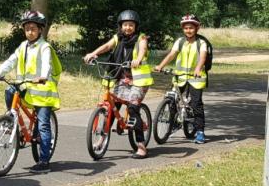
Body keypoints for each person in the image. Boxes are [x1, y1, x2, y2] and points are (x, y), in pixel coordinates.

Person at [0, 10, 62, 174]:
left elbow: (46, 65)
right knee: (9, 90)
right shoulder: (23, 46)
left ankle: (44, 161)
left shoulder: (45, 47)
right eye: (27, 28)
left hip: (43, 91)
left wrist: (43, 76)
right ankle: (11, 121)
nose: (30, 32)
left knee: (43, 125)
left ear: (40, 30)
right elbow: (11, 61)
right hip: (27, 87)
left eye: (33, 29)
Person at [83, 10, 154, 158]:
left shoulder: (141, 38)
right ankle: (102, 139)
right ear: (121, 26)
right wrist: (93, 53)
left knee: (134, 109)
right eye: (125, 25)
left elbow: (142, 50)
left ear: (136, 26)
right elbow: (107, 46)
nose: (127, 27)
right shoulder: (118, 38)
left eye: (131, 25)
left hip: (138, 81)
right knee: (112, 107)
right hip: (121, 77)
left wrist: (138, 60)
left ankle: (141, 146)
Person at [154, 14, 208, 144]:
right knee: (172, 100)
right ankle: (172, 124)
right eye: (185, 28)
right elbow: (172, 54)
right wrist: (161, 66)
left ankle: (200, 131)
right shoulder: (180, 42)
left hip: (196, 78)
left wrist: (198, 68)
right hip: (180, 76)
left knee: (196, 104)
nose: (188, 30)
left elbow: (203, 57)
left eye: (191, 28)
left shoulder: (201, 43)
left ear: (197, 28)